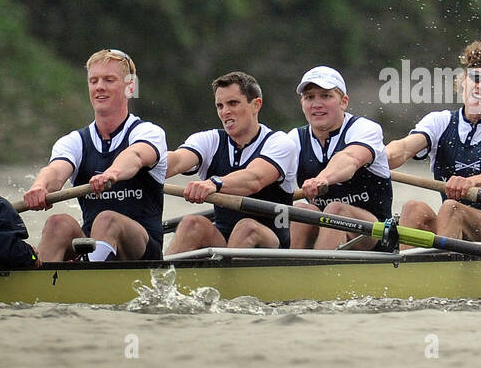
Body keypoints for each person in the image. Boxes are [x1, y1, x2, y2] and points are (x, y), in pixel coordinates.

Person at [23, 50, 168, 262]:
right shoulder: (74, 141)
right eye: (93, 81)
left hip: (143, 251)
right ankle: (41, 286)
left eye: (109, 80)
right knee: (57, 222)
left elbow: (135, 155)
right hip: (92, 244)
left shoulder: (149, 133)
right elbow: (56, 170)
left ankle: (88, 276)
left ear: (130, 87)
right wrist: (40, 186)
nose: (99, 86)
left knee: (107, 219)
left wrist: (112, 173)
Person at [387, 41, 481, 242]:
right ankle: (408, 268)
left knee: (451, 208)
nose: (480, 86)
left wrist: (470, 182)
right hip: (451, 226)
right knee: (413, 208)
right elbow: (401, 150)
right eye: (475, 78)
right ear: (463, 81)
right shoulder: (440, 121)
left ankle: (442, 268)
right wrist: (372, 158)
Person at [166, 72, 297, 254]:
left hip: (273, 246)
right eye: (220, 105)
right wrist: (139, 168)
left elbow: (254, 179)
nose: (225, 111)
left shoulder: (280, 142)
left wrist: (214, 183)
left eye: (233, 103)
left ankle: (225, 279)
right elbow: (176, 161)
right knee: (191, 223)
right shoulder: (210, 140)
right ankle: (160, 280)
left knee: (246, 227)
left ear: (256, 105)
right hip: (224, 243)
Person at [284, 66, 392, 250]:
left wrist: (322, 179)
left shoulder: (365, 129)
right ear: (302, 104)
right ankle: (287, 271)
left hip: (375, 235)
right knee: (302, 211)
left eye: (326, 96)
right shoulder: (293, 139)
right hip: (326, 230)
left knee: (335, 209)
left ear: (343, 102)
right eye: (309, 97)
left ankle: (318, 275)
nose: (316, 104)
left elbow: (350, 159)